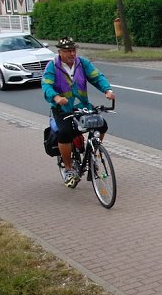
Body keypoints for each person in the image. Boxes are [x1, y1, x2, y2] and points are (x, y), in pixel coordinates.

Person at [42, 37, 115, 187]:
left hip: (82, 105)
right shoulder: (52, 66)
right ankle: (68, 168)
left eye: (73, 50)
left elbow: (96, 77)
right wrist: (55, 97)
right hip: (62, 108)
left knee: (102, 125)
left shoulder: (82, 63)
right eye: (68, 51)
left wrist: (107, 90)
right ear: (60, 52)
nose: (72, 54)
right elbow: (46, 84)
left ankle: (93, 153)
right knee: (65, 133)